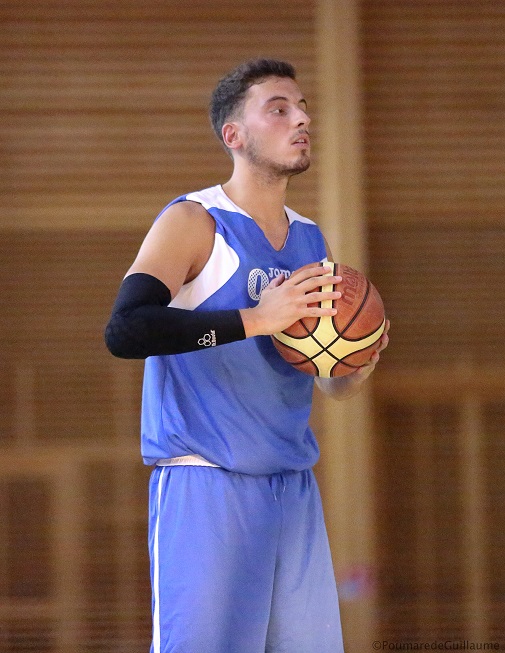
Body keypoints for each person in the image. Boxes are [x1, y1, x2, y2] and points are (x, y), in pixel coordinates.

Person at [105, 58, 389, 653]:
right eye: (279, 108)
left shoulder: (311, 238)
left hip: (293, 487)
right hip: (206, 486)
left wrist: (354, 363)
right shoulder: (193, 222)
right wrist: (259, 319)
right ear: (234, 135)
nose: (302, 117)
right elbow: (127, 331)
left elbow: (323, 382)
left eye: (304, 106)